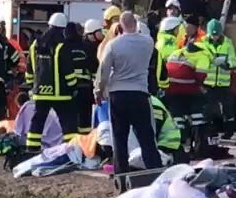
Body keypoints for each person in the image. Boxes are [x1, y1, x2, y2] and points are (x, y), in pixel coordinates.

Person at [96, 11, 162, 174]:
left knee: (119, 138)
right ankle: (155, 171)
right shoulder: (148, 42)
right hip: (140, 93)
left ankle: (121, 174)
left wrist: (98, 91)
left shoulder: (114, 45)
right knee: (146, 136)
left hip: (118, 94)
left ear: (120, 25)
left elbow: (104, 70)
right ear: (136, 24)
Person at [25, 13, 79, 152]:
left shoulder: (35, 45)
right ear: (63, 29)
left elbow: (30, 67)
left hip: (40, 92)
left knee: (37, 121)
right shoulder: (62, 45)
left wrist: (32, 85)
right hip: (61, 93)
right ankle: (71, 149)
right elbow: (68, 70)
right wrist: (73, 86)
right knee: (68, 122)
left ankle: (32, 148)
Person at [163, 24, 211, 155]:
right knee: (198, 116)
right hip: (187, 89)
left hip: (170, 89)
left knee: (178, 118)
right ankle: (199, 146)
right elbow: (201, 77)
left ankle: (180, 147)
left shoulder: (177, 52)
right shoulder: (203, 56)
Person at [202, 19, 236, 139]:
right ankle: (210, 131)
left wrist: (226, 64)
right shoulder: (203, 43)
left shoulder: (228, 44)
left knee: (228, 107)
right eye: (212, 34)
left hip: (223, 83)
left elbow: (233, 61)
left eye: (216, 34)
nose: (214, 37)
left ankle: (229, 131)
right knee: (208, 108)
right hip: (208, 82)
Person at [66, 22, 96, 138]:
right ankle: (85, 142)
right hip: (85, 87)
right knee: (85, 117)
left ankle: (71, 142)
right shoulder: (87, 47)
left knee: (70, 117)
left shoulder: (63, 47)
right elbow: (94, 67)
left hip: (68, 88)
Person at [151, 95, 184, 162]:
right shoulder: (150, 101)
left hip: (168, 149)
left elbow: (155, 129)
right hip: (166, 147)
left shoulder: (153, 104)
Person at [154, 16, 181, 94]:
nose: (178, 31)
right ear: (173, 29)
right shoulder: (169, 44)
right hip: (167, 83)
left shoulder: (161, 41)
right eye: (177, 29)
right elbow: (172, 64)